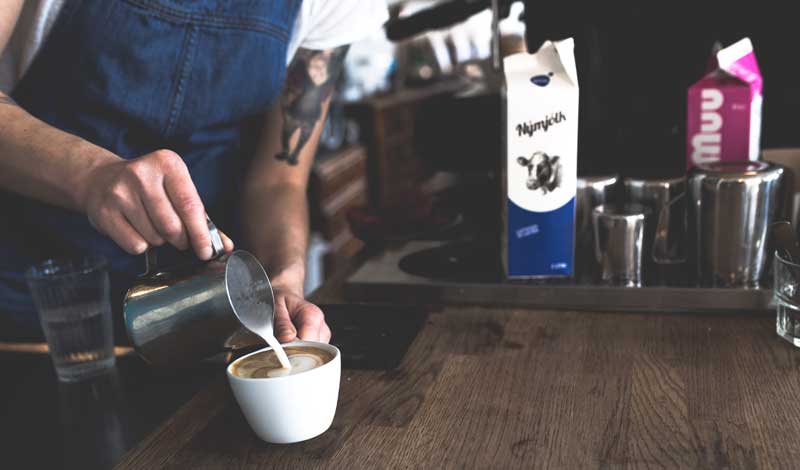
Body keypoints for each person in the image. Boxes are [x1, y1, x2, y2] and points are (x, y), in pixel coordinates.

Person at [0, 0, 388, 342]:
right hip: (31, 299)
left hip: (199, 313)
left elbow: (279, 179)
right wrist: (89, 175)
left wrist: (284, 276)